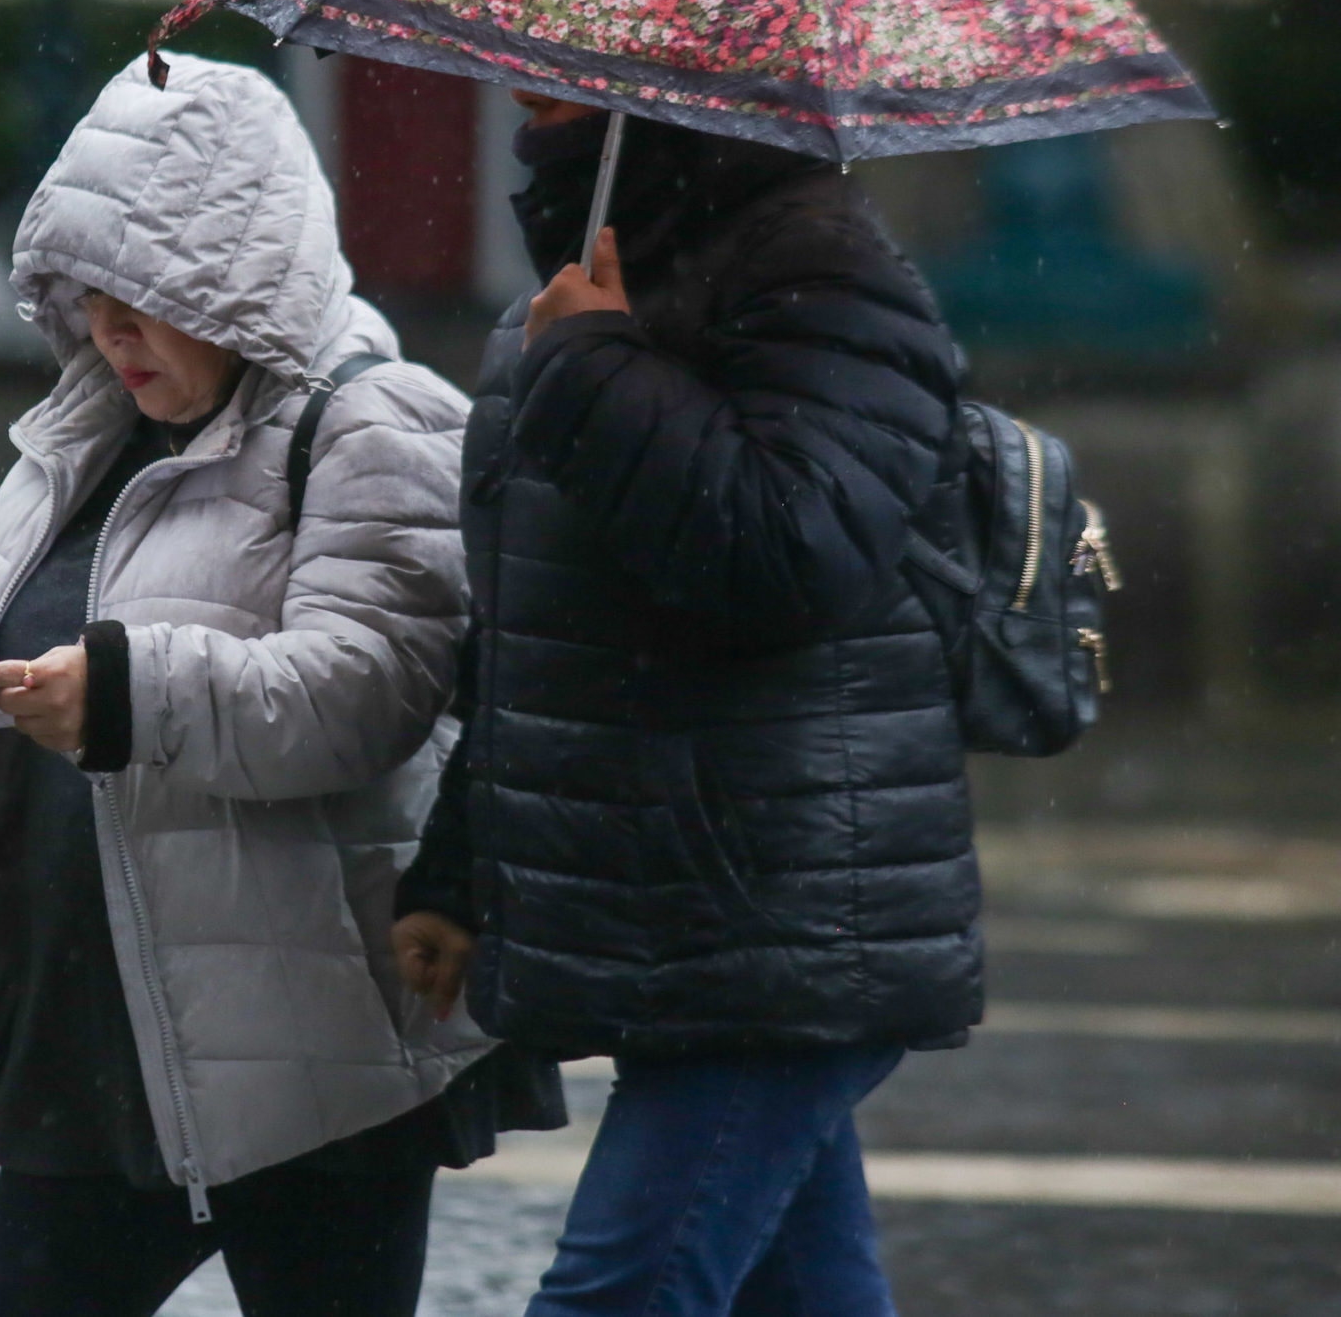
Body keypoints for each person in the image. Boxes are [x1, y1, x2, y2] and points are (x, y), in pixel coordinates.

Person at [0, 53, 561, 1317]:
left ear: (235, 282)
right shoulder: (97, 422)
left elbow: (365, 692)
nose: (108, 331)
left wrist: (127, 694)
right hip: (94, 1027)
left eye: (142, 298)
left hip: (304, 1052)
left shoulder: (377, 420)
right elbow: (13, 631)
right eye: (85, 297)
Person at [391, 94, 977, 1317]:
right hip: (687, 910)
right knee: (803, 1294)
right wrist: (459, 869)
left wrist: (590, 369)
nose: (530, 70)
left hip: (777, 908)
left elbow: (793, 550)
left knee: (617, 1293)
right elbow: (540, 621)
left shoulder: (816, 261)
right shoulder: (596, 265)